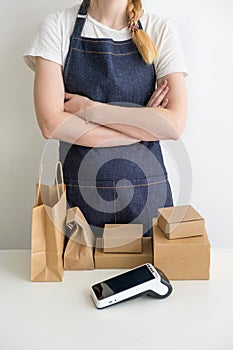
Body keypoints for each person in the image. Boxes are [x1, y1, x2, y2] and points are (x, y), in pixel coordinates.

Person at [24, 0, 188, 238]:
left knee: (150, 275)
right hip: (78, 205)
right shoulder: (58, 26)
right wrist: (142, 126)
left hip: (149, 201)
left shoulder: (159, 29)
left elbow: (173, 125)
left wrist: (91, 110)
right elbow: (51, 124)